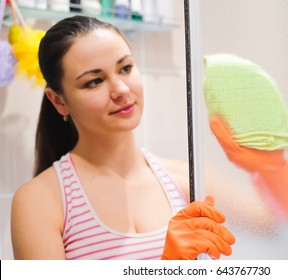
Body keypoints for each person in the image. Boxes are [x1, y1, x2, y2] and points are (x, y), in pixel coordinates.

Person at [10, 15, 236, 260]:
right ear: (59, 101)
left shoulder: (184, 179)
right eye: (94, 81)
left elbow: (274, 224)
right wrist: (169, 265)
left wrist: (262, 162)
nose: (121, 89)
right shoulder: (39, 202)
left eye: (125, 68)